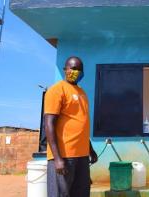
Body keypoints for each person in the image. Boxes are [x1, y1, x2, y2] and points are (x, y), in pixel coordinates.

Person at [44, 56, 98, 197]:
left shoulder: (82, 93)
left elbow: (81, 125)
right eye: (73, 68)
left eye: (79, 69)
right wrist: (57, 158)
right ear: (65, 69)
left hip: (82, 156)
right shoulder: (56, 90)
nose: (76, 71)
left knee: (81, 193)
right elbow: (48, 124)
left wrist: (90, 149)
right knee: (61, 194)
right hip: (64, 155)